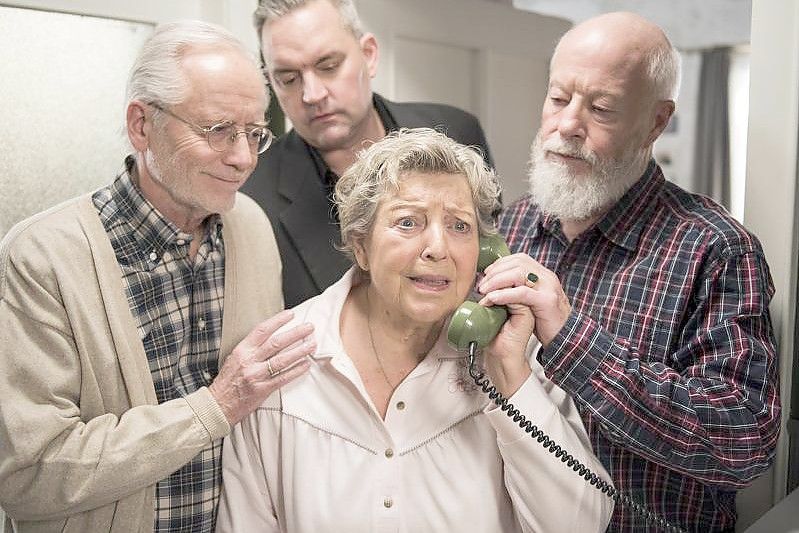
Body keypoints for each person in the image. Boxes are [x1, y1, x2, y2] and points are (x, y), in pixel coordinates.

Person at [0, 20, 316, 533]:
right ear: (142, 125)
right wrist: (216, 406)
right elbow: (28, 475)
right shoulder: (42, 257)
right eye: (217, 131)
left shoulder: (252, 229)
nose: (241, 159)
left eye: (254, 135)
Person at [216, 128, 614, 533]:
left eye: (460, 226)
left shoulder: (509, 354)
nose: (438, 248)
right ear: (361, 246)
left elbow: (580, 525)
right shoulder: (282, 360)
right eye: (408, 222)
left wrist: (511, 380)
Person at [488, 11, 781, 532]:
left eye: (601, 108)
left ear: (655, 122)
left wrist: (572, 338)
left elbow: (744, 442)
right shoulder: (512, 223)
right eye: (558, 98)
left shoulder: (716, 249)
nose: (567, 125)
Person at [242, 0, 495, 309]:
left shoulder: (457, 132)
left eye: (328, 66)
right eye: (288, 79)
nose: (312, 94)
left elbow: (488, 271)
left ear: (369, 55)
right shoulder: (250, 196)